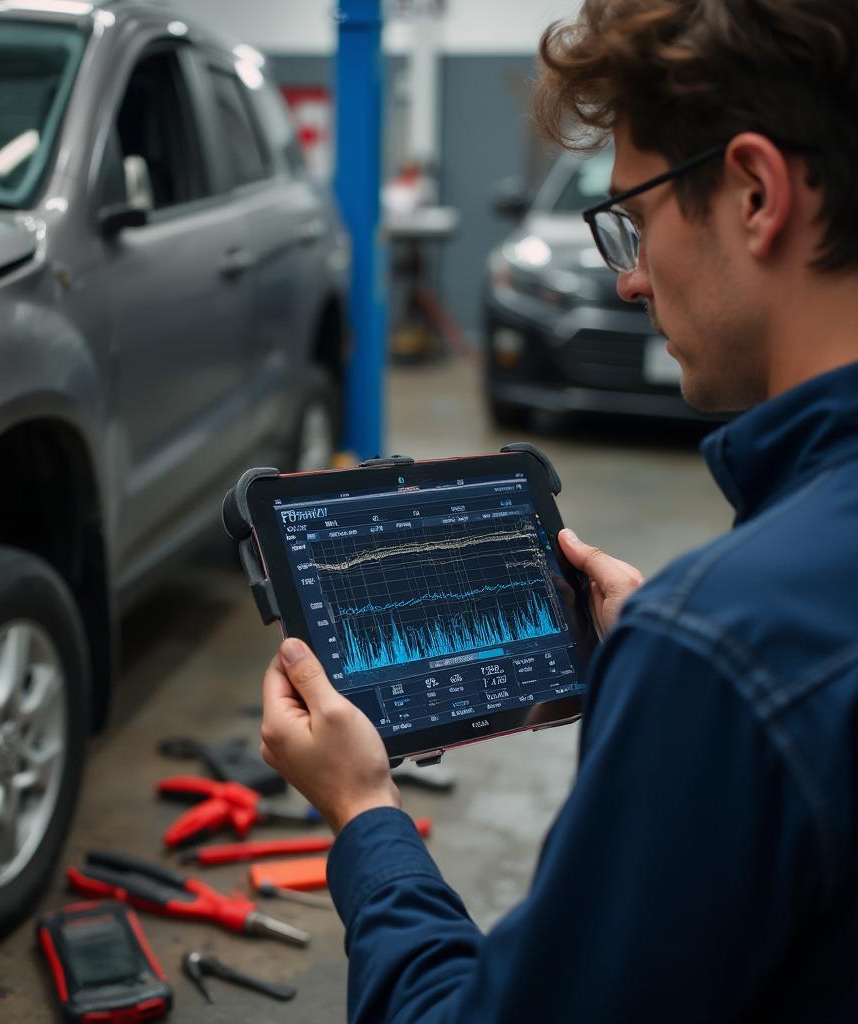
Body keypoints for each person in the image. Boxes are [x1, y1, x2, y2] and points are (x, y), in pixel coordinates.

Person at [259, 1, 858, 1019]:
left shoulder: (721, 652)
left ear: (754, 192)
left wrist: (365, 815)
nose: (628, 276)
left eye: (636, 213)